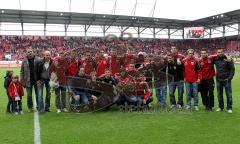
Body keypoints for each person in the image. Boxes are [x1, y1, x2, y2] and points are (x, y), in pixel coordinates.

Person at [214, 48, 235, 113]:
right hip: (218, 80)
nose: (219, 53)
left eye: (221, 52)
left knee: (229, 95)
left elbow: (232, 69)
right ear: (217, 53)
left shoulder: (228, 59)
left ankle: (229, 108)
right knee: (219, 95)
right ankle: (221, 107)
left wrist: (229, 78)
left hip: (226, 80)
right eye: (218, 52)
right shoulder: (215, 59)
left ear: (223, 52)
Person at [20, 47, 40, 112]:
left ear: (33, 51)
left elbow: (40, 70)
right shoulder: (24, 61)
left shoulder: (37, 59)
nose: (30, 53)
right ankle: (30, 107)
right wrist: (22, 81)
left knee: (38, 94)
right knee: (29, 95)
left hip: (36, 80)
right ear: (27, 53)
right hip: (28, 81)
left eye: (31, 51)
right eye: (28, 52)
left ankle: (38, 106)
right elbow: (21, 71)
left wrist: (39, 79)